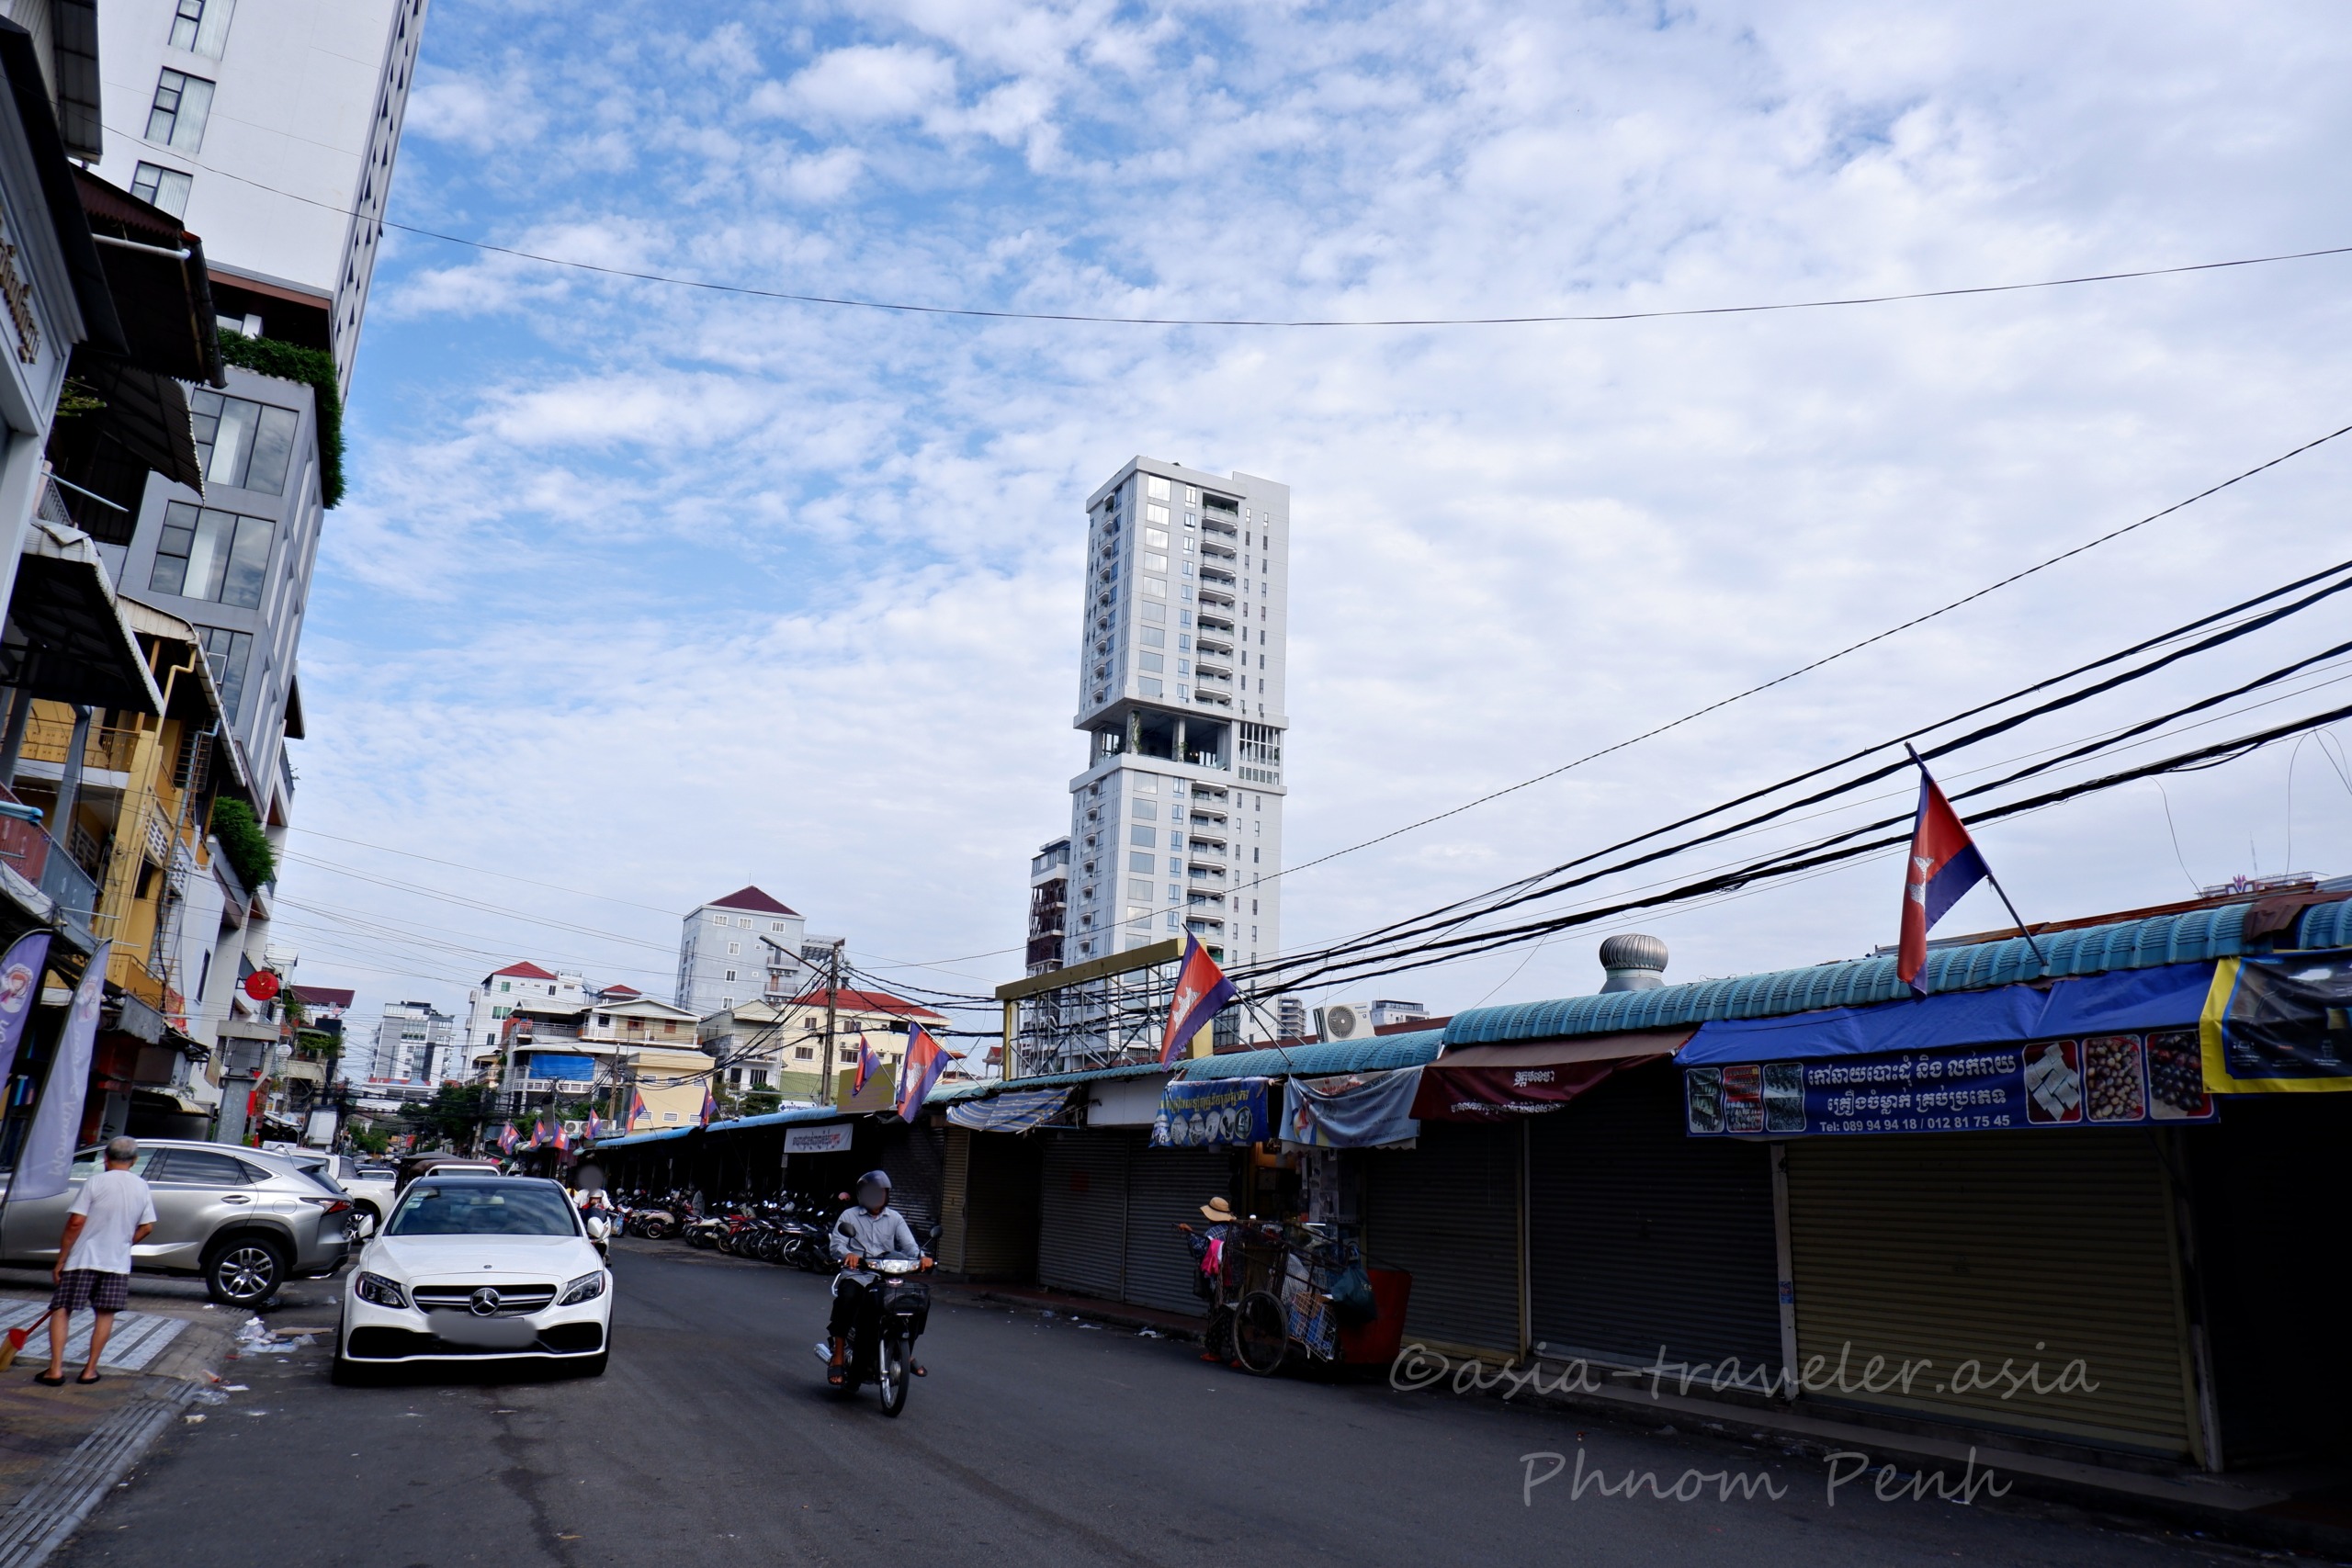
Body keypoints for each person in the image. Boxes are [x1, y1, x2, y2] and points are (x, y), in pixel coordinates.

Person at [39, 1136, 156, 1387]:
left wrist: (61, 1260)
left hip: (83, 1258)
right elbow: (147, 1227)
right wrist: (125, 1243)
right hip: (117, 1262)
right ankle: (90, 1370)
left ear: (105, 1158)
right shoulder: (141, 1186)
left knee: (61, 1309)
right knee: (105, 1314)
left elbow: (76, 1222)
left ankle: (55, 1370)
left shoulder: (95, 1182)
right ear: (134, 1161)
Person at [826, 1168, 931, 1386]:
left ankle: (906, 1350)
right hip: (858, 1274)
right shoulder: (849, 1216)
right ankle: (837, 1354)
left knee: (919, 1300)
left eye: (881, 1193)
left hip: (887, 1276)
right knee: (846, 1298)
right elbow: (836, 1245)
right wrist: (849, 1255)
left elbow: (910, 1246)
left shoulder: (895, 1218)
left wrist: (922, 1258)